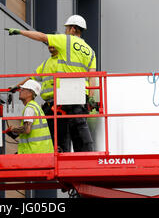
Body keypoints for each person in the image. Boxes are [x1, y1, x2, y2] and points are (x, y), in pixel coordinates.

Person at [7, 15, 96, 152]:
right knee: (79, 129)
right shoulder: (90, 51)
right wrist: (90, 96)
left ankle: (62, 153)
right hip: (80, 96)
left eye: (66, 29)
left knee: (61, 132)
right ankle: (87, 155)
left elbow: (42, 37)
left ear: (72, 29)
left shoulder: (66, 40)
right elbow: (92, 77)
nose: (65, 31)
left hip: (65, 96)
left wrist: (20, 32)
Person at [8, 80, 54, 154]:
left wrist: (14, 129)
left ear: (30, 93)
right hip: (43, 150)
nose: (20, 91)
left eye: (22, 89)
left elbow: (27, 130)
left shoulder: (29, 108)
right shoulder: (35, 106)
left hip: (34, 152)